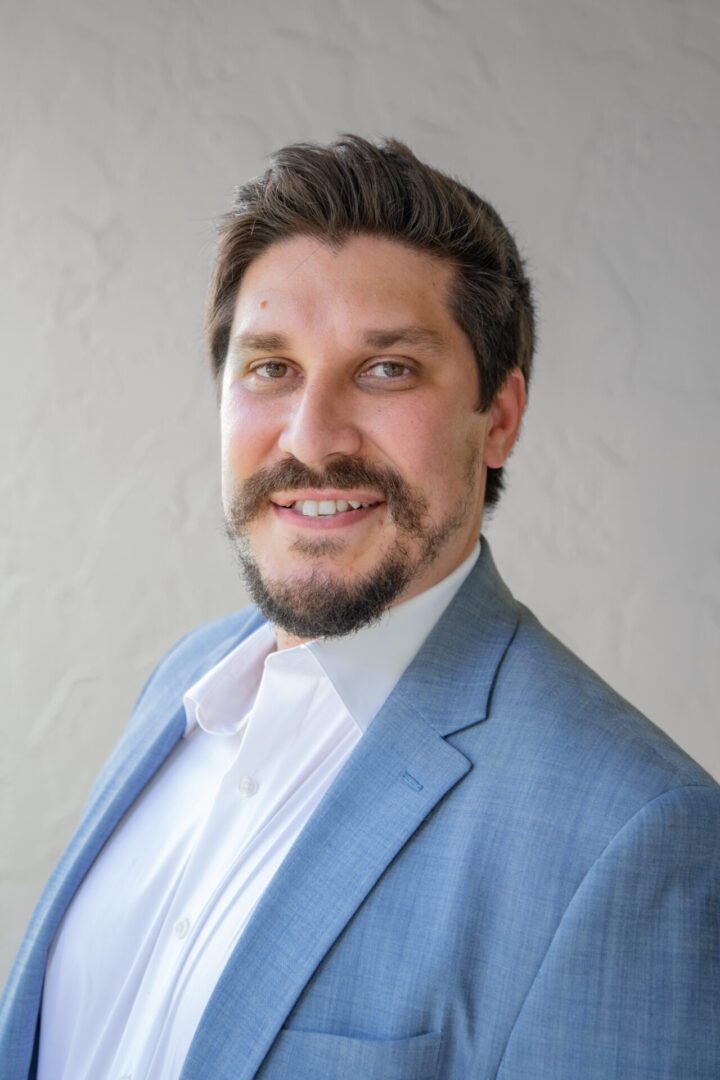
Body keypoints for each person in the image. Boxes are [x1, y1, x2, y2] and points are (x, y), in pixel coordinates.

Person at [1, 135, 718, 1080]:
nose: (312, 438)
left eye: (387, 370)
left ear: (498, 418)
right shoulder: (185, 687)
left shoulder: (637, 839)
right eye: (271, 368)